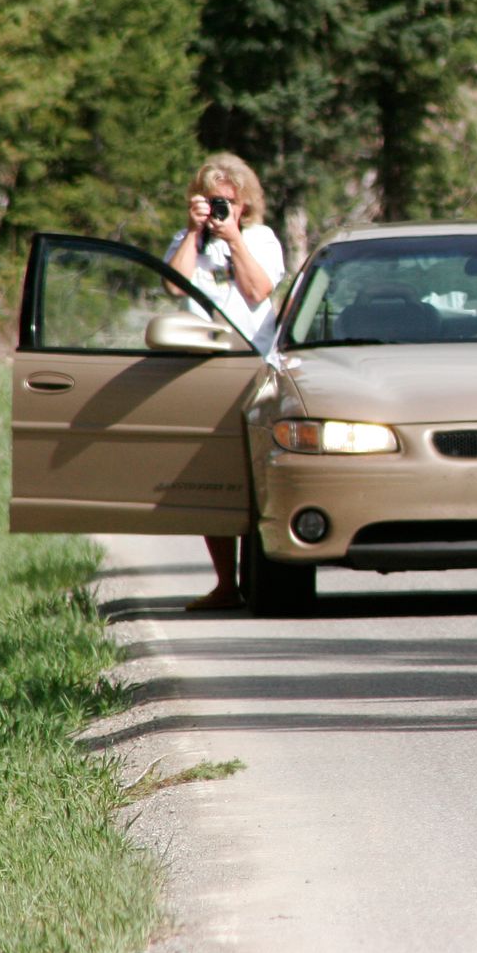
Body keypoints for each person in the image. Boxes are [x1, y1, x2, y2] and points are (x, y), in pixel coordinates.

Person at [164, 153, 286, 610]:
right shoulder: (187, 240)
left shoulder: (262, 239)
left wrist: (234, 238)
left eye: (228, 202)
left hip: (251, 364)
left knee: (255, 469)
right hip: (199, 365)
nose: (220, 210)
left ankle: (264, 576)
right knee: (211, 472)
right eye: (213, 202)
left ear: (244, 202)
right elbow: (174, 287)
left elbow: (258, 291)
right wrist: (196, 234)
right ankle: (224, 583)